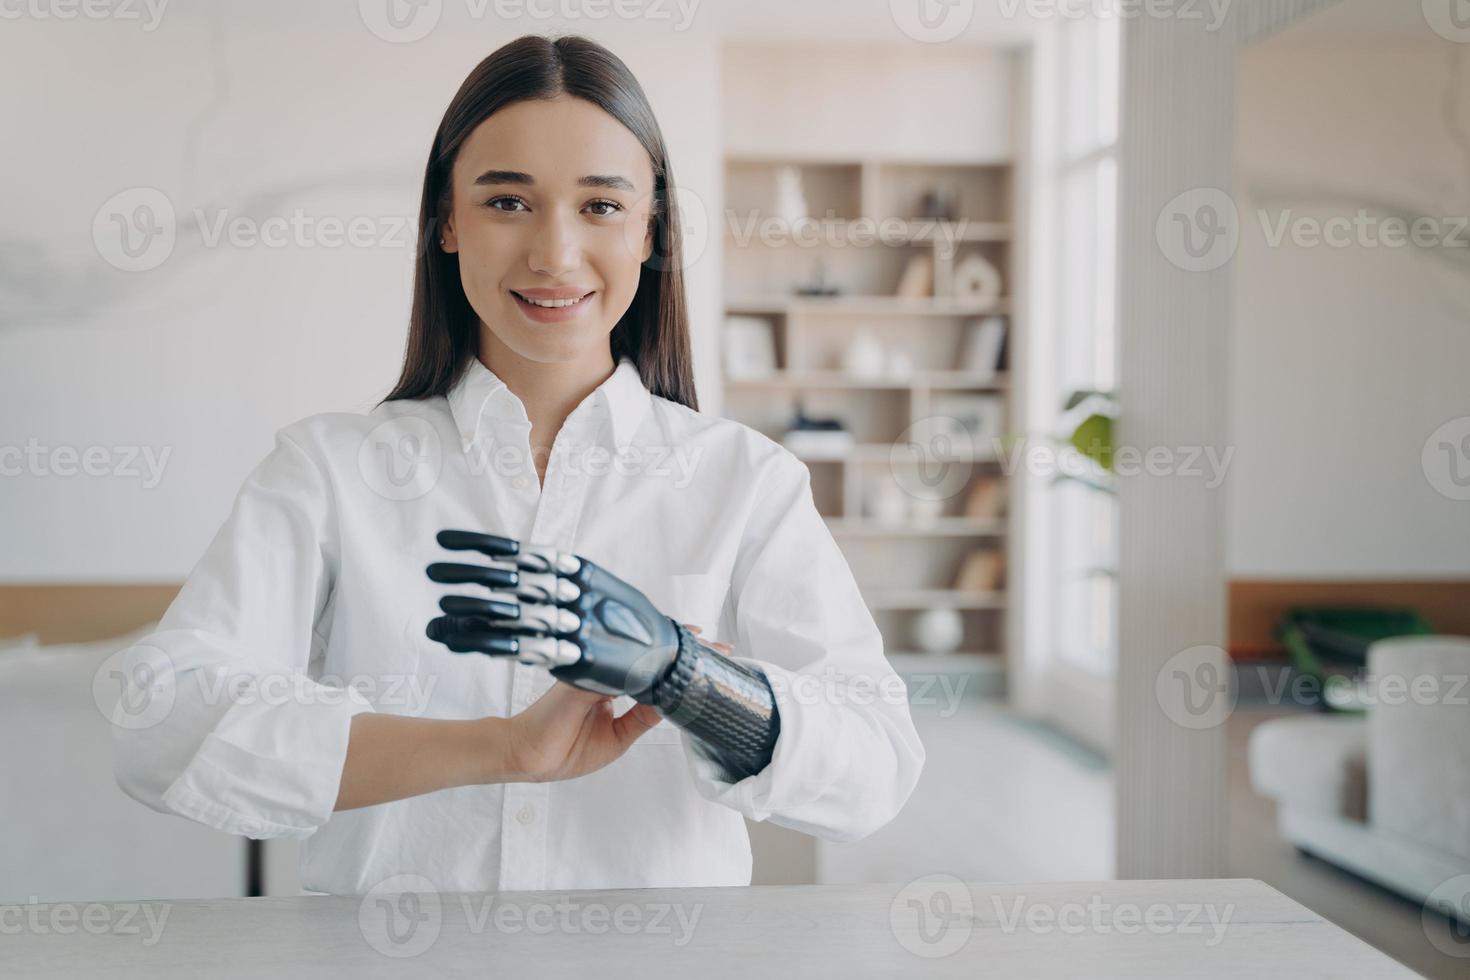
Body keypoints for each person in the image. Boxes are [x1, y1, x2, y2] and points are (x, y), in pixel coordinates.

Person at [112, 33, 925, 895]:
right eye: (508, 202)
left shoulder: (744, 482)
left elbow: (876, 768)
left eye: (601, 206)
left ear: (653, 230)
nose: (554, 253)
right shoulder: (328, 472)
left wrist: (690, 680)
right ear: (448, 221)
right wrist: (497, 751)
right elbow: (157, 724)